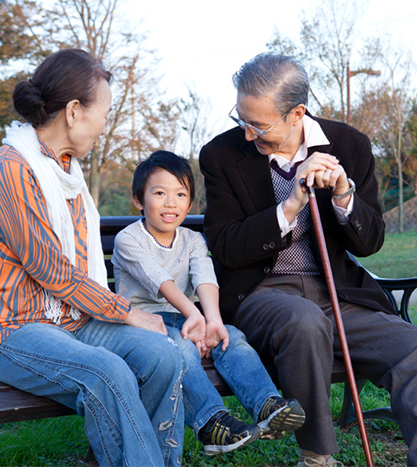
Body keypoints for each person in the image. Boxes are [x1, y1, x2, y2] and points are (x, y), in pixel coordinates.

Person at [199, 52, 417, 467]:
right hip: (260, 293)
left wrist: (344, 194)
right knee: (303, 321)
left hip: (337, 293)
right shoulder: (220, 154)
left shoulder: (350, 145)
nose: (246, 133)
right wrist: (290, 205)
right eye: (241, 119)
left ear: (297, 113)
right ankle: (317, 458)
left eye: (258, 124)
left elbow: (371, 242)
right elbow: (224, 245)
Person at [0, 49, 185, 467]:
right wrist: (125, 311)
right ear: (73, 111)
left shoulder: (67, 171)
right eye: (103, 113)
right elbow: (50, 269)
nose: (105, 126)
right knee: (105, 372)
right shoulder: (12, 169)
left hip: (70, 322)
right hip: (11, 329)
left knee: (164, 352)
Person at [111, 150, 305, 456]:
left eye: (180, 194)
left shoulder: (192, 240)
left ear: (190, 203)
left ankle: (267, 406)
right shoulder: (129, 239)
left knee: (232, 337)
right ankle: (211, 423)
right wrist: (194, 318)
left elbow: (204, 278)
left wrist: (211, 321)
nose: (170, 202)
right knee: (181, 348)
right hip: (143, 325)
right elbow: (160, 281)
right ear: (139, 199)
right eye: (159, 193)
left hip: (187, 320)